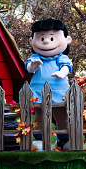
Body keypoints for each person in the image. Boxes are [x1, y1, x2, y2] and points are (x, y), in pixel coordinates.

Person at [26, 19, 73, 150]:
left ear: (67, 39)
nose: (46, 41)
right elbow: (29, 68)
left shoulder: (61, 57)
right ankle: (40, 141)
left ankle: (62, 141)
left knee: (62, 117)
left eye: (52, 38)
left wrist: (62, 73)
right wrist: (33, 65)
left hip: (59, 90)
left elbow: (66, 67)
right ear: (32, 41)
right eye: (41, 38)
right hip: (38, 91)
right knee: (39, 117)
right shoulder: (36, 57)